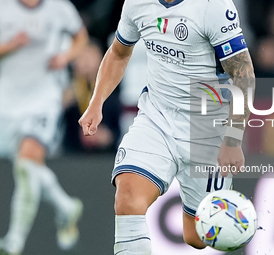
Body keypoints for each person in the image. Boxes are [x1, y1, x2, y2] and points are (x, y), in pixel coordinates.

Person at [79, 0, 255, 253]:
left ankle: (234, 217)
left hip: (206, 128)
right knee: (128, 198)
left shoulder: (213, 6)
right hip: (156, 117)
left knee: (195, 236)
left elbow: (243, 74)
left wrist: (233, 138)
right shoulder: (137, 3)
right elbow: (119, 51)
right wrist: (96, 102)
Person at [0, 0, 88, 254]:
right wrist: (10, 46)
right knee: (29, 166)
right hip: (8, 102)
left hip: (44, 100)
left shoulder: (60, 7)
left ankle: (13, 242)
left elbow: (80, 37)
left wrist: (66, 56)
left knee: (27, 163)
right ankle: (66, 207)